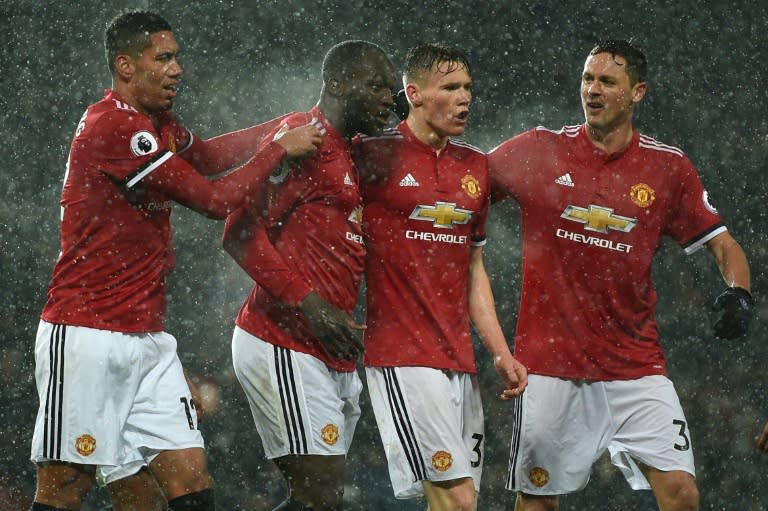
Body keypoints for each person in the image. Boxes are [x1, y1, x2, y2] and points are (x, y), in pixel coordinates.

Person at [29, 10, 322, 511]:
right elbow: (213, 200)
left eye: (177, 57)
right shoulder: (115, 126)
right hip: (87, 333)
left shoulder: (153, 124)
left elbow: (207, 156)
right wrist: (277, 150)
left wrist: (284, 124)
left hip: (148, 336)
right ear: (125, 65)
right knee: (66, 488)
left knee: (190, 480)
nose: (177, 68)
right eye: (162, 58)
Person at [488, 39, 753, 511]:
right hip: (550, 366)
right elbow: (463, 186)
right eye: (588, 79)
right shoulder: (539, 149)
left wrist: (739, 293)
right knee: (537, 503)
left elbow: (722, 243)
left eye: (607, 81)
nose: (593, 89)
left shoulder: (667, 167)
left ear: (637, 92)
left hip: (635, 367)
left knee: (682, 494)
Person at [351, 43, 528, 511]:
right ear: (413, 94)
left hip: (458, 360)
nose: (464, 97)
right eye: (450, 87)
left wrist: (500, 351)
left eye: (468, 87)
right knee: (459, 500)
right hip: (401, 354)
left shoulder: (476, 167)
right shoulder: (369, 155)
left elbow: (474, 270)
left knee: (453, 500)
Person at [222, 40, 397, 510]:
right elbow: (237, 232)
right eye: (377, 85)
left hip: (329, 350)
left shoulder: (354, 151)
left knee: (318, 500)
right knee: (320, 496)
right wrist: (309, 302)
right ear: (338, 84)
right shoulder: (302, 137)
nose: (389, 96)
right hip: (281, 340)